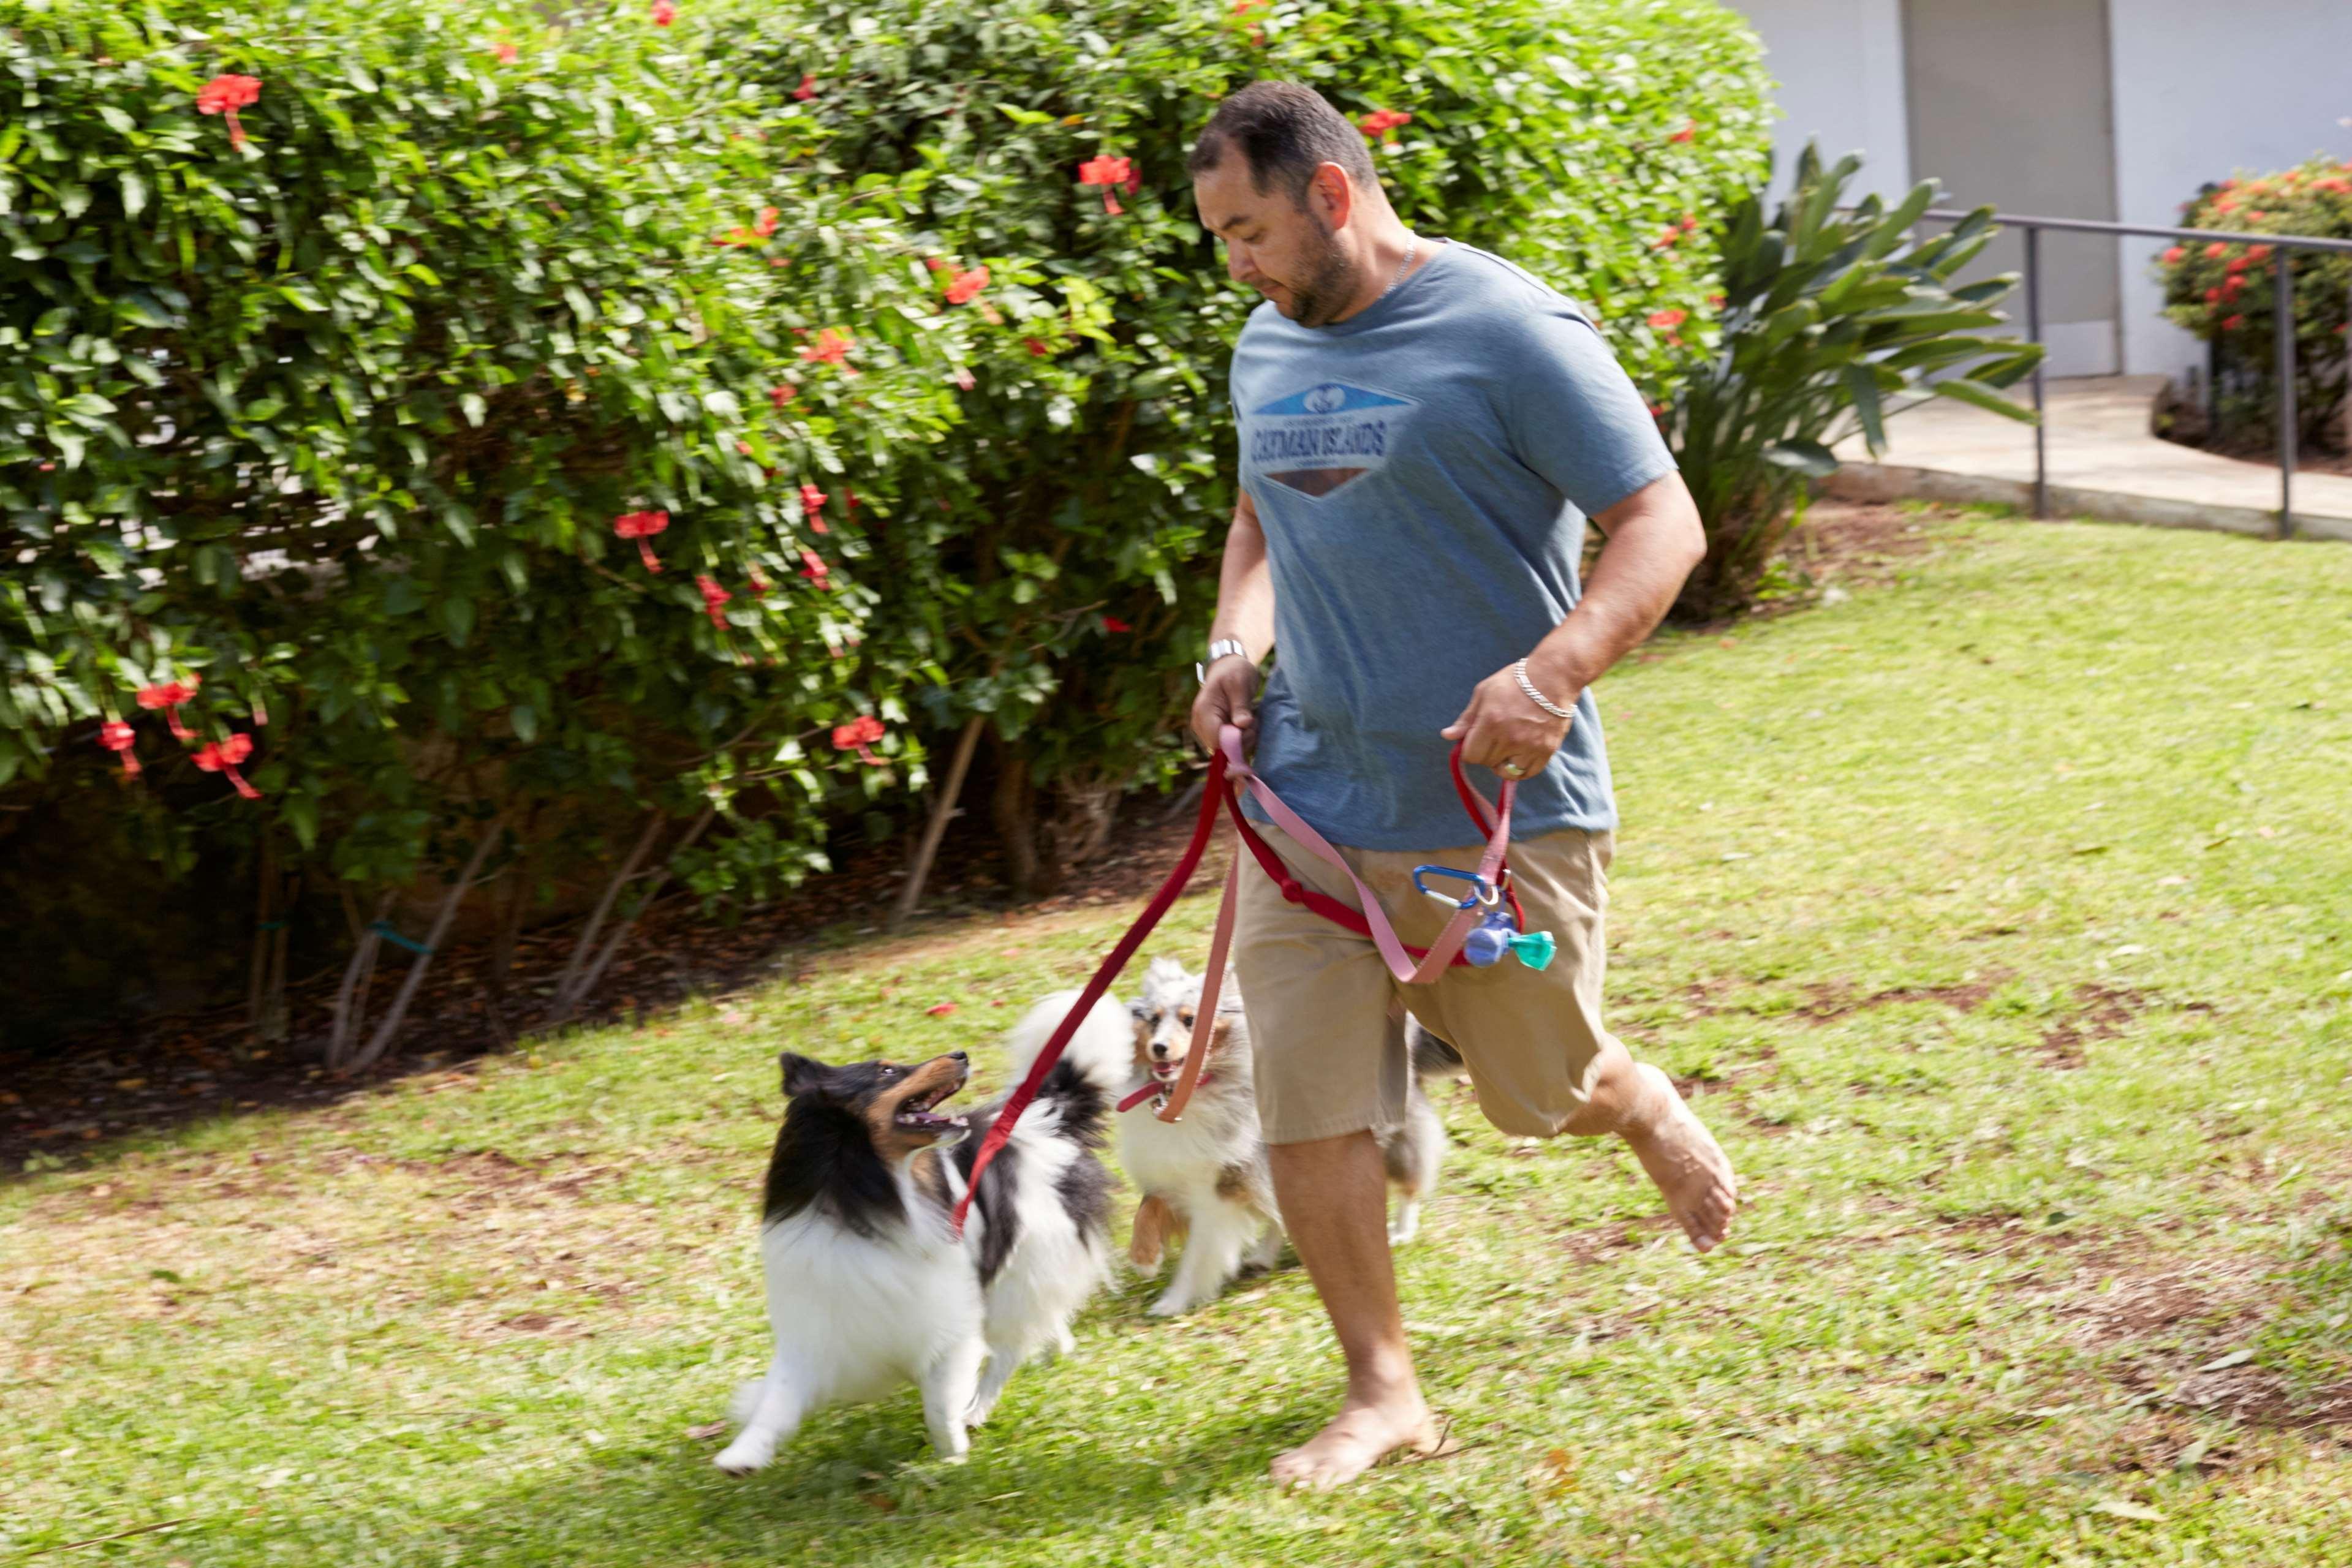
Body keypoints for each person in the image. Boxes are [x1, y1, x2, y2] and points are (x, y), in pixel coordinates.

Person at [1185, 81, 1740, 1491]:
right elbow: (1256, 525)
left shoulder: (1508, 329)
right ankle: (1384, 1389)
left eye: (1248, 230)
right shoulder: (1266, 344)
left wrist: (1553, 670)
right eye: (1218, 240)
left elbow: (1658, 515)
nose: (1235, 267)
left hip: (1495, 804)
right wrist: (1232, 648)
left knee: (1537, 1090)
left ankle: (1640, 1100)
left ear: (1328, 194)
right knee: (1310, 1101)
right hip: (1308, 799)